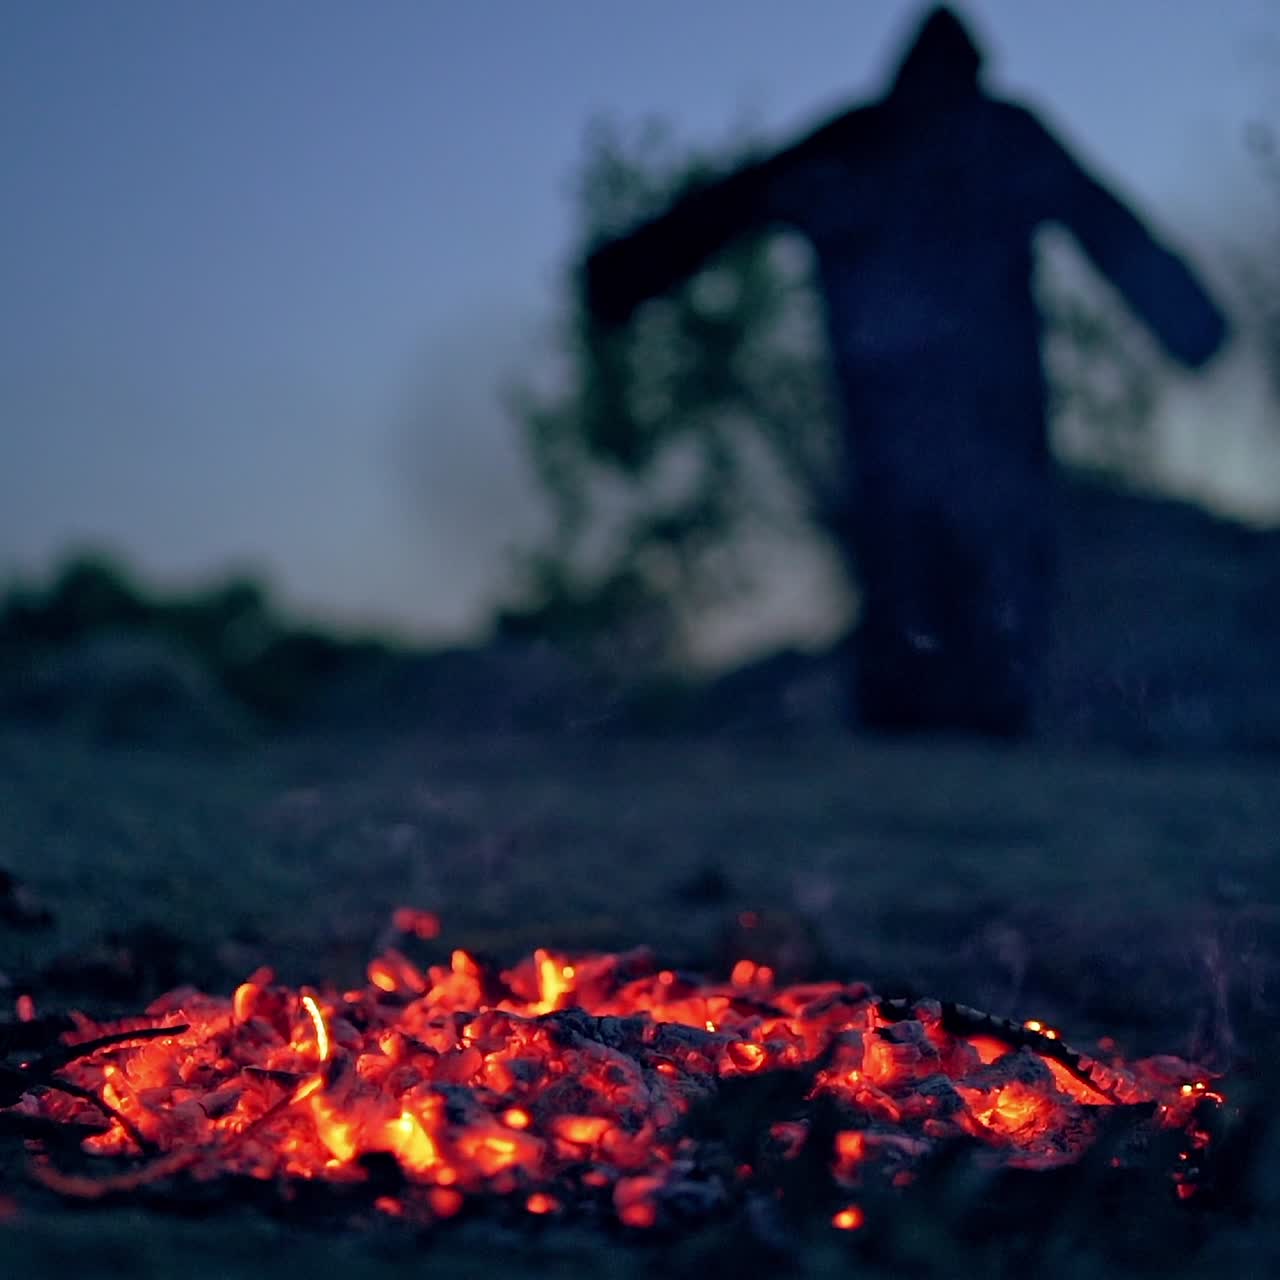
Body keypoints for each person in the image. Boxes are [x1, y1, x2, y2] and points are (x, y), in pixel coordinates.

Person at [583, 5, 1229, 737]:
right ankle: (965, 728)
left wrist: (622, 276)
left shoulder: (868, 141)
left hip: (914, 411)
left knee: (924, 574)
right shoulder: (985, 138)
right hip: (974, 411)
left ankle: (930, 729)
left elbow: (728, 205)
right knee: (967, 574)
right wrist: (1196, 328)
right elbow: (1111, 228)